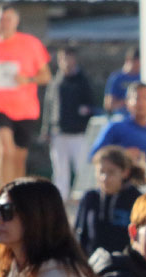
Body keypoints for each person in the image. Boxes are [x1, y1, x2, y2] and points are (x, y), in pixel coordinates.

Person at [0, 2, 51, 184]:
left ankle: (17, 190)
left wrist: (28, 79)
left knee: (18, 155)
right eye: (0, 19)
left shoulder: (31, 43)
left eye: (8, 19)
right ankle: (4, 190)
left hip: (25, 108)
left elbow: (45, 76)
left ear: (16, 20)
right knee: (5, 150)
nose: (4, 23)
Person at [41, 46, 96, 202]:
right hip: (59, 132)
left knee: (80, 167)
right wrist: (46, 128)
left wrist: (84, 114)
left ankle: (85, 197)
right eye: (62, 58)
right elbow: (49, 105)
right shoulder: (55, 81)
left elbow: (91, 104)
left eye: (68, 58)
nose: (66, 62)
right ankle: (60, 198)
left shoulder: (83, 80)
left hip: (78, 132)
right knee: (60, 169)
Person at [75, 146, 146, 255]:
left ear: (125, 173)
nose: (104, 177)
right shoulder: (90, 198)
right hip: (92, 267)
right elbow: (80, 235)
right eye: (101, 172)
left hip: (127, 267)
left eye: (111, 172)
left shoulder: (137, 200)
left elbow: (143, 240)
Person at [88, 83, 146, 169]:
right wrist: (122, 155)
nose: (141, 103)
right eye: (137, 98)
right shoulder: (115, 127)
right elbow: (93, 157)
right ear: (127, 102)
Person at [103, 48, 141, 116]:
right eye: (136, 65)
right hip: (121, 116)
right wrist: (128, 102)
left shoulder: (141, 77)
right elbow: (108, 104)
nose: (138, 68)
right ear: (129, 60)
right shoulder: (117, 78)